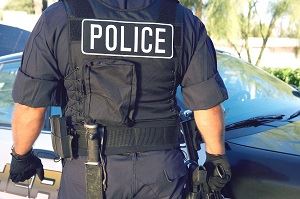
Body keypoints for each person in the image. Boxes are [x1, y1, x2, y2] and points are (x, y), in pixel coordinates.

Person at [9, 0, 231, 198]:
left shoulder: (60, 17)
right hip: (162, 174)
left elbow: (31, 106)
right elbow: (207, 106)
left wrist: (21, 155)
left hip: (87, 173)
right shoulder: (180, 19)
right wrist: (216, 161)